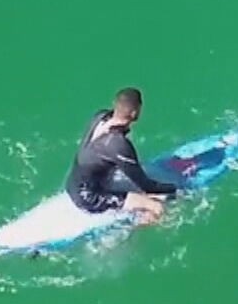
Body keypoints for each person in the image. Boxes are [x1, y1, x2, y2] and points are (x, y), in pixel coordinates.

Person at [65, 87, 177, 223]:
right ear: (135, 112)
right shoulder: (118, 145)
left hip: (74, 183)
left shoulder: (100, 116)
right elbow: (146, 186)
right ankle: (132, 234)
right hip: (88, 197)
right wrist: (174, 189)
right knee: (156, 207)